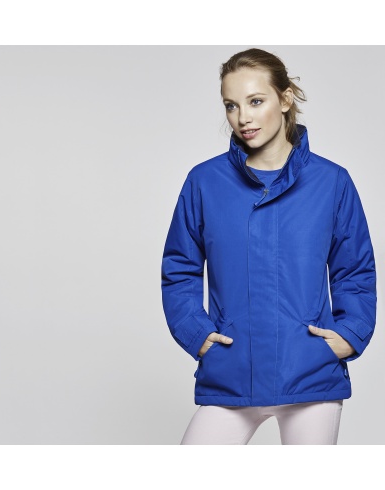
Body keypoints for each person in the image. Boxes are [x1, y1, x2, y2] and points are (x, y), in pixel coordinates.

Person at [160, 47, 377, 445]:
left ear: (285, 99)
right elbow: (179, 268)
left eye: (256, 101)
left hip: (310, 376)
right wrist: (197, 333)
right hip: (230, 373)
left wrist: (350, 333)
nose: (243, 117)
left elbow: (355, 270)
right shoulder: (204, 182)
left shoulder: (331, 182)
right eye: (231, 105)